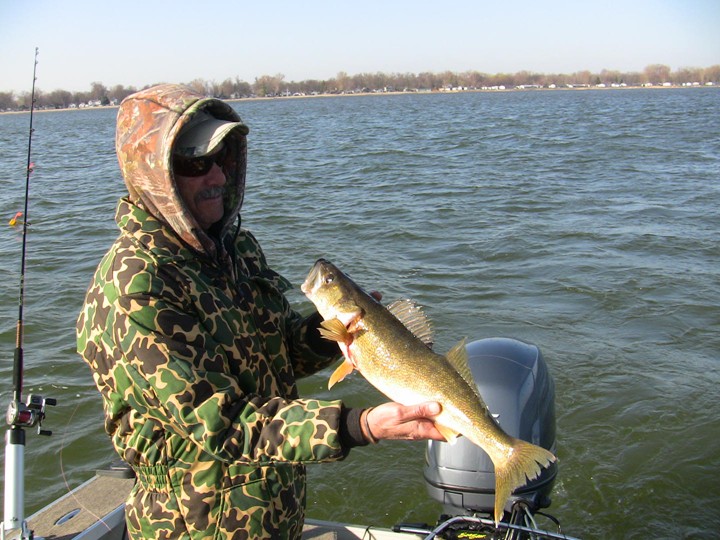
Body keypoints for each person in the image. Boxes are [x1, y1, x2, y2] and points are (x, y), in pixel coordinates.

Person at [76, 84, 444, 540]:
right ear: (154, 175)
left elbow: (277, 354)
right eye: (196, 163)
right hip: (197, 527)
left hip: (276, 514)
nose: (217, 175)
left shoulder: (235, 249)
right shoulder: (136, 288)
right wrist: (359, 426)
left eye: (222, 157)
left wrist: (332, 331)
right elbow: (221, 422)